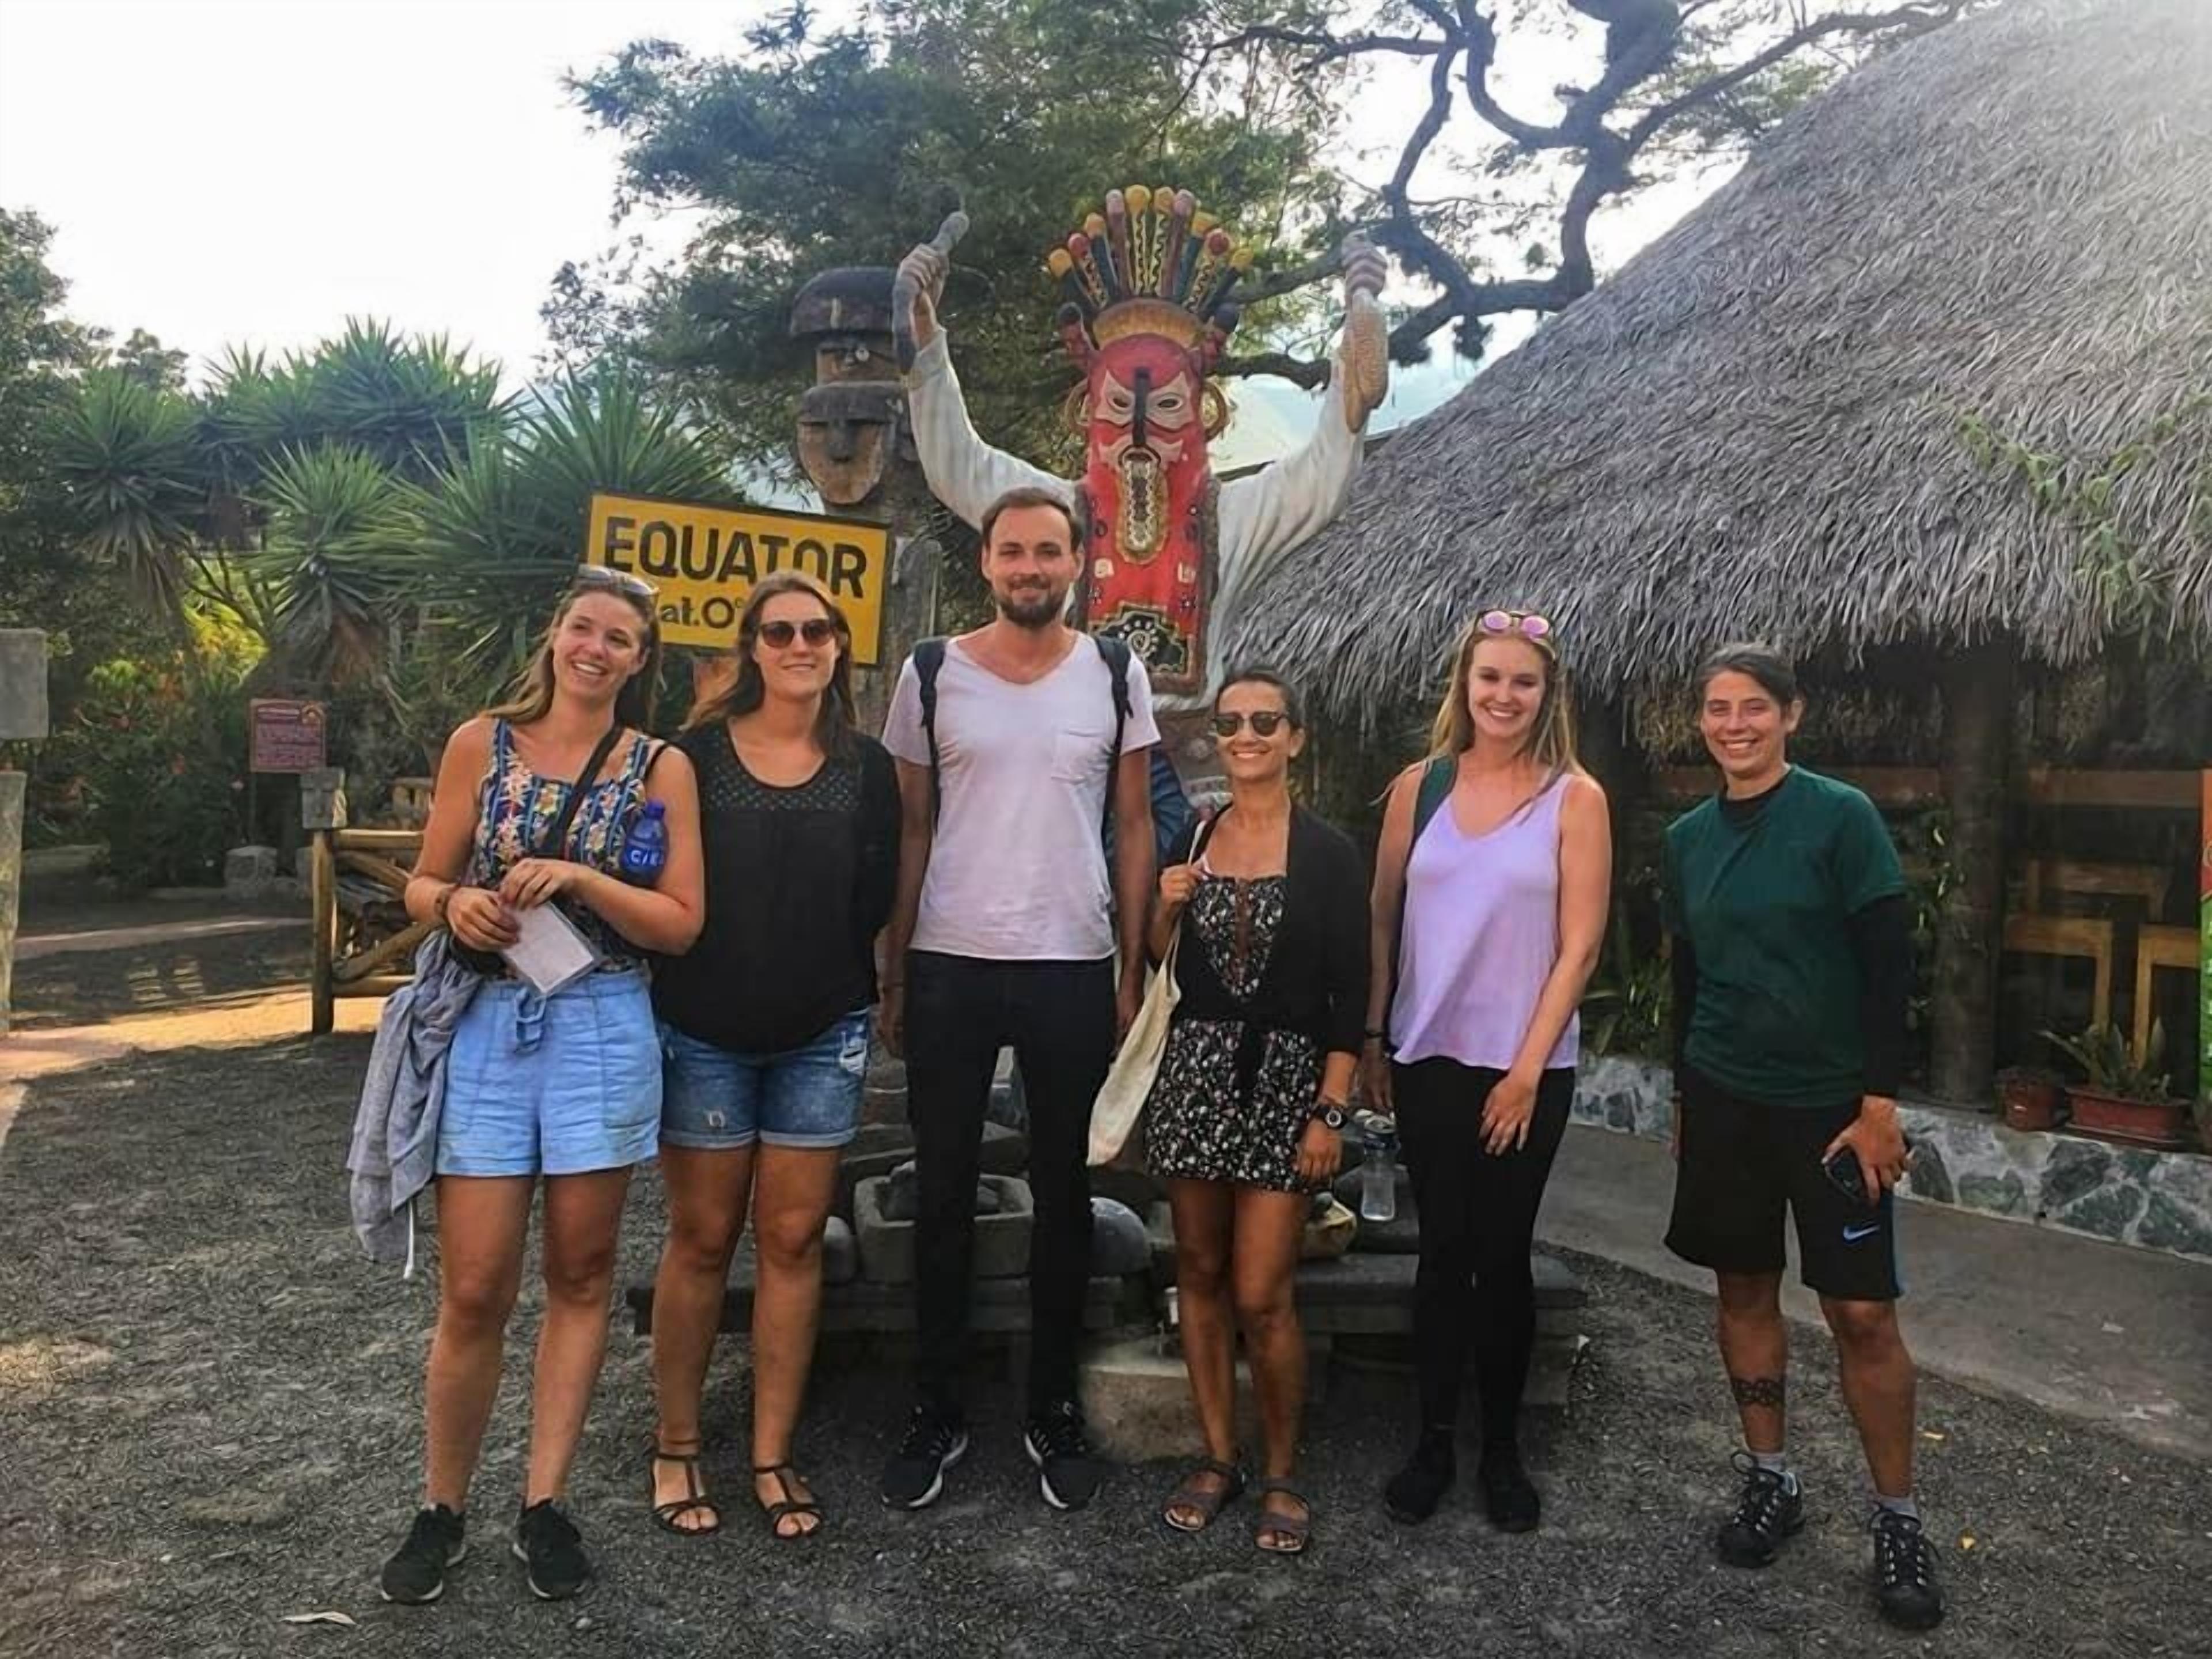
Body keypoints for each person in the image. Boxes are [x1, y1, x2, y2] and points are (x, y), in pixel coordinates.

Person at [379, 569, 703, 1604]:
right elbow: (424, 882)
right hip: (489, 1024)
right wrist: (455, 904)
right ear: (555, 635)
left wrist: (584, 879)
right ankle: (442, 1507)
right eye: (582, 628)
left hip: (603, 1021)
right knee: (475, 1285)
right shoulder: (482, 742)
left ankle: (545, 1502)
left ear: (641, 658)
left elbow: (683, 920)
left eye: (619, 638)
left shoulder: (662, 768)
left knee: (583, 1270)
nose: (595, 649)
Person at [877, 483, 1158, 1512]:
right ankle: (937, 1406)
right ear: (985, 563)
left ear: (1077, 561)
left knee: (1066, 1196)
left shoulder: (1115, 674)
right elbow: (910, 829)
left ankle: (1052, 1406)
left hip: (1072, 961)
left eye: (1048, 551)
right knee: (943, 1191)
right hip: (952, 955)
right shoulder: (932, 673)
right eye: (1012, 552)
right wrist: (896, 964)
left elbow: (1134, 826)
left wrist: (1131, 968)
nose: (1030, 568)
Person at [1661, 643, 1942, 1631]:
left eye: (1753, 709)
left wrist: (1878, 1102)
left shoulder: (1840, 819)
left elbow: (1886, 966)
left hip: (1831, 1113)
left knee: (1863, 1314)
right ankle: (1771, 1476)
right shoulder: (1689, 838)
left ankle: (1899, 1519)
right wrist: (1685, 1094)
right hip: (1724, 1096)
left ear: (1791, 715)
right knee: (1743, 1288)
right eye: (1717, 710)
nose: (1734, 725)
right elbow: (1687, 975)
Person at [645, 573, 900, 1541]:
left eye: (819, 630)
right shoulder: (693, 757)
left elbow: (875, 892)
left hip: (821, 1030)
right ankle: (676, 1444)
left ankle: (771, 1452)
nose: (801, 645)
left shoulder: (866, 769)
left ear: (840, 645)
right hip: (703, 1027)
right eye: (781, 630)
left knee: (792, 1243)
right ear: (752, 647)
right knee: (703, 1239)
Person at [1363, 608, 1610, 1532]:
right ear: (1463, 686)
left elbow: (1580, 947)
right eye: (1490, 678)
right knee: (1442, 1253)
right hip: (1427, 1055)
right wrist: (1378, 1035)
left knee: (1503, 1258)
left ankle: (1502, 1451)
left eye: (1523, 681)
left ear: (1548, 695)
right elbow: (1381, 918)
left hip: (1526, 1065)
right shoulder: (1417, 791)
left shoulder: (1574, 798)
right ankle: (1432, 1440)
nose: (1504, 695)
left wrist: (1525, 1070)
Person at [1146, 669, 1368, 1554]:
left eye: (1264, 722)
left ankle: (1282, 1467)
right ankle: (1217, 1454)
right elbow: (1167, 968)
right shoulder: (1198, 833)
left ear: (1295, 737)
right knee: (1197, 1272)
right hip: (1195, 1072)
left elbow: (1353, 991)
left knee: (1263, 1292)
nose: (1245, 736)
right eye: (1231, 723)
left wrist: (1332, 1111)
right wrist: (1164, 914)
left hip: (1285, 1081)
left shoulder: (1328, 853)